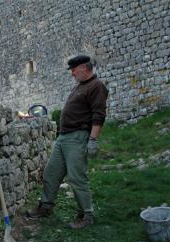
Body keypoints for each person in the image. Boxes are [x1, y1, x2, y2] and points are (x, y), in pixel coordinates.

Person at [26, 55, 108, 229]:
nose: (72, 73)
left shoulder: (96, 86)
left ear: (84, 67)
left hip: (78, 137)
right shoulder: (80, 86)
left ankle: (86, 215)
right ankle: (46, 207)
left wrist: (93, 139)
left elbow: (99, 114)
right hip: (63, 137)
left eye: (74, 69)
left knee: (77, 177)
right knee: (50, 173)